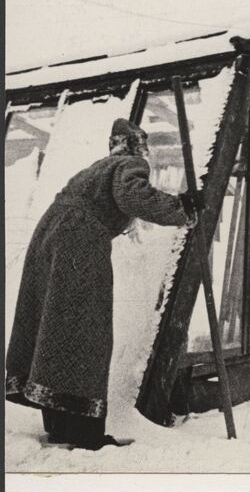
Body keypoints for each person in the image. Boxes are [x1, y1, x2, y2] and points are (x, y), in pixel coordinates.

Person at [5, 118, 203, 450]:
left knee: (57, 331)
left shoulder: (98, 168)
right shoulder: (129, 163)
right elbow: (135, 198)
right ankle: (85, 434)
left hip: (49, 240)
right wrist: (181, 207)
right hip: (79, 245)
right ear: (138, 148)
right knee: (86, 334)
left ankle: (62, 424)